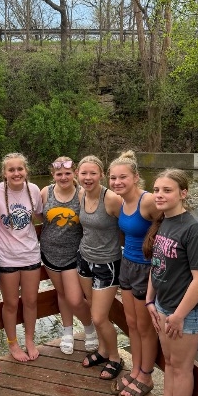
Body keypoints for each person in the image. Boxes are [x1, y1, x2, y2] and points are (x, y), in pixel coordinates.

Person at [139, 168, 198, 396]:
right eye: (156, 190)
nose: (159, 195)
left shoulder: (195, 230)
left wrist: (179, 315)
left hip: (187, 313)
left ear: (183, 193)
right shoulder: (165, 222)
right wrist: (150, 299)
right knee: (169, 363)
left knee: (181, 368)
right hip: (164, 304)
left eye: (167, 190)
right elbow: (157, 264)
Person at [108, 150, 161, 396]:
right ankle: (136, 370)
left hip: (146, 268)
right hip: (127, 264)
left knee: (145, 326)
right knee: (131, 323)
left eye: (123, 177)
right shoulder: (121, 202)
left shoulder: (148, 201)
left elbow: (176, 222)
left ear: (136, 177)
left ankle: (146, 376)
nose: (117, 182)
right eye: (113, 178)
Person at [0, 152, 43, 362]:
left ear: (26, 171)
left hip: (30, 254)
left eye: (20, 169)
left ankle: (29, 339)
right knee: (10, 303)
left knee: (31, 301)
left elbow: (41, 215)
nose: (16, 173)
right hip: (6, 257)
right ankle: (13, 343)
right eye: (11, 170)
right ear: (4, 173)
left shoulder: (33, 189)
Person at [40, 157, 98, 355]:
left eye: (67, 173)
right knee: (62, 294)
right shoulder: (45, 192)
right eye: (59, 174)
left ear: (74, 173)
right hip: (49, 253)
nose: (63, 177)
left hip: (74, 254)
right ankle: (67, 332)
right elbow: (39, 217)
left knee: (75, 299)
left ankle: (89, 327)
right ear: (53, 175)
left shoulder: (82, 194)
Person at [77, 155, 124, 380]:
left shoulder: (112, 199)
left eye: (93, 173)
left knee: (98, 317)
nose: (88, 178)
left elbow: (133, 222)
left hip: (107, 263)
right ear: (78, 175)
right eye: (84, 173)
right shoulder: (80, 194)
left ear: (101, 175)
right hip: (85, 258)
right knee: (92, 307)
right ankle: (103, 350)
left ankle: (115, 357)